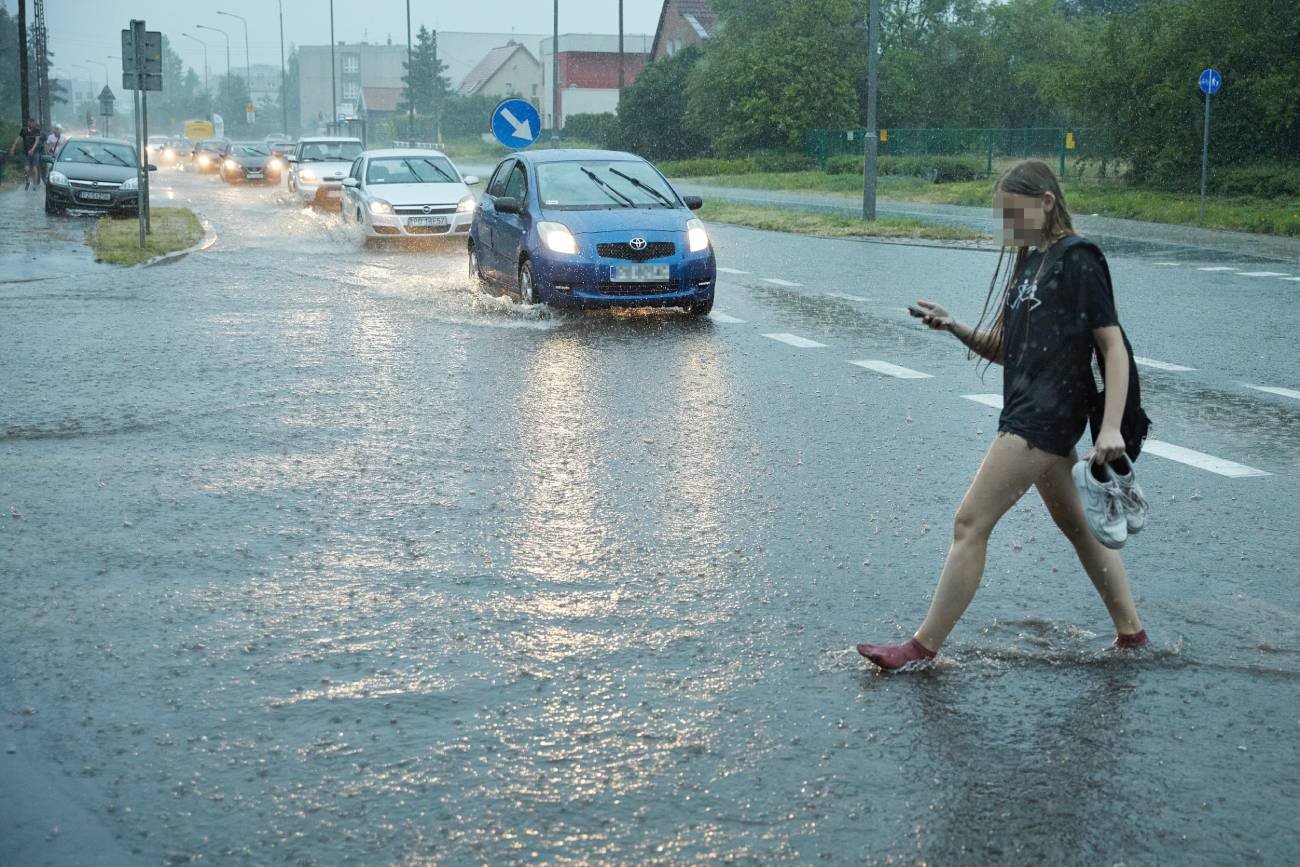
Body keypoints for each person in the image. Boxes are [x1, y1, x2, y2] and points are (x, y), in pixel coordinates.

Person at [856, 159, 1149, 672]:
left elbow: (1114, 347)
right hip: (1030, 409)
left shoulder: (1079, 259)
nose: (1008, 226)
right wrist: (954, 326)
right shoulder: (1028, 262)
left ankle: (920, 648)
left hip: (1046, 415)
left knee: (970, 521)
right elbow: (1008, 349)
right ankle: (1133, 634)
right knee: (1079, 528)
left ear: (1046, 202)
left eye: (1015, 213)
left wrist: (1108, 428)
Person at [8, 118, 44, 190]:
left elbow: (36, 141)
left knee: (34, 169)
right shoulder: (24, 130)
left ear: (34, 124)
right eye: (30, 123)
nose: (32, 124)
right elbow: (18, 138)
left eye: (33, 123)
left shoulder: (37, 131)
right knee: (27, 169)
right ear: (28, 123)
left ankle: (34, 184)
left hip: (35, 152)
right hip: (24, 152)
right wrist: (13, 147)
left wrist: (32, 149)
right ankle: (27, 181)